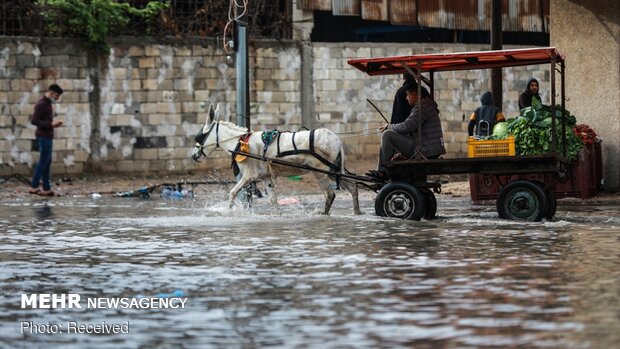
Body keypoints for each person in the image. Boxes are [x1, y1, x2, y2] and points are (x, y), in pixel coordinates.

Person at [367, 83, 446, 179]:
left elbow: (407, 126)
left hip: (426, 150)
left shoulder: (422, 107)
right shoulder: (425, 106)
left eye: (408, 95)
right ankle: (382, 170)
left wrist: (389, 126)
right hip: (428, 148)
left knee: (387, 135)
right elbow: (410, 127)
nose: (406, 98)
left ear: (417, 95)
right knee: (387, 136)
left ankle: (383, 172)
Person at [29, 84, 63, 196]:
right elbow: (34, 120)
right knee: (43, 161)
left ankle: (46, 188)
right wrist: (51, 124)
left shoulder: (47, 103)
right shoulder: (42, 104)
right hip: (43, 136)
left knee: (47, 162)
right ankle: (34, 186)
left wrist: (52, 125)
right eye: (57, 96)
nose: (57, 98)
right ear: (52, 93)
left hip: (47, 135)